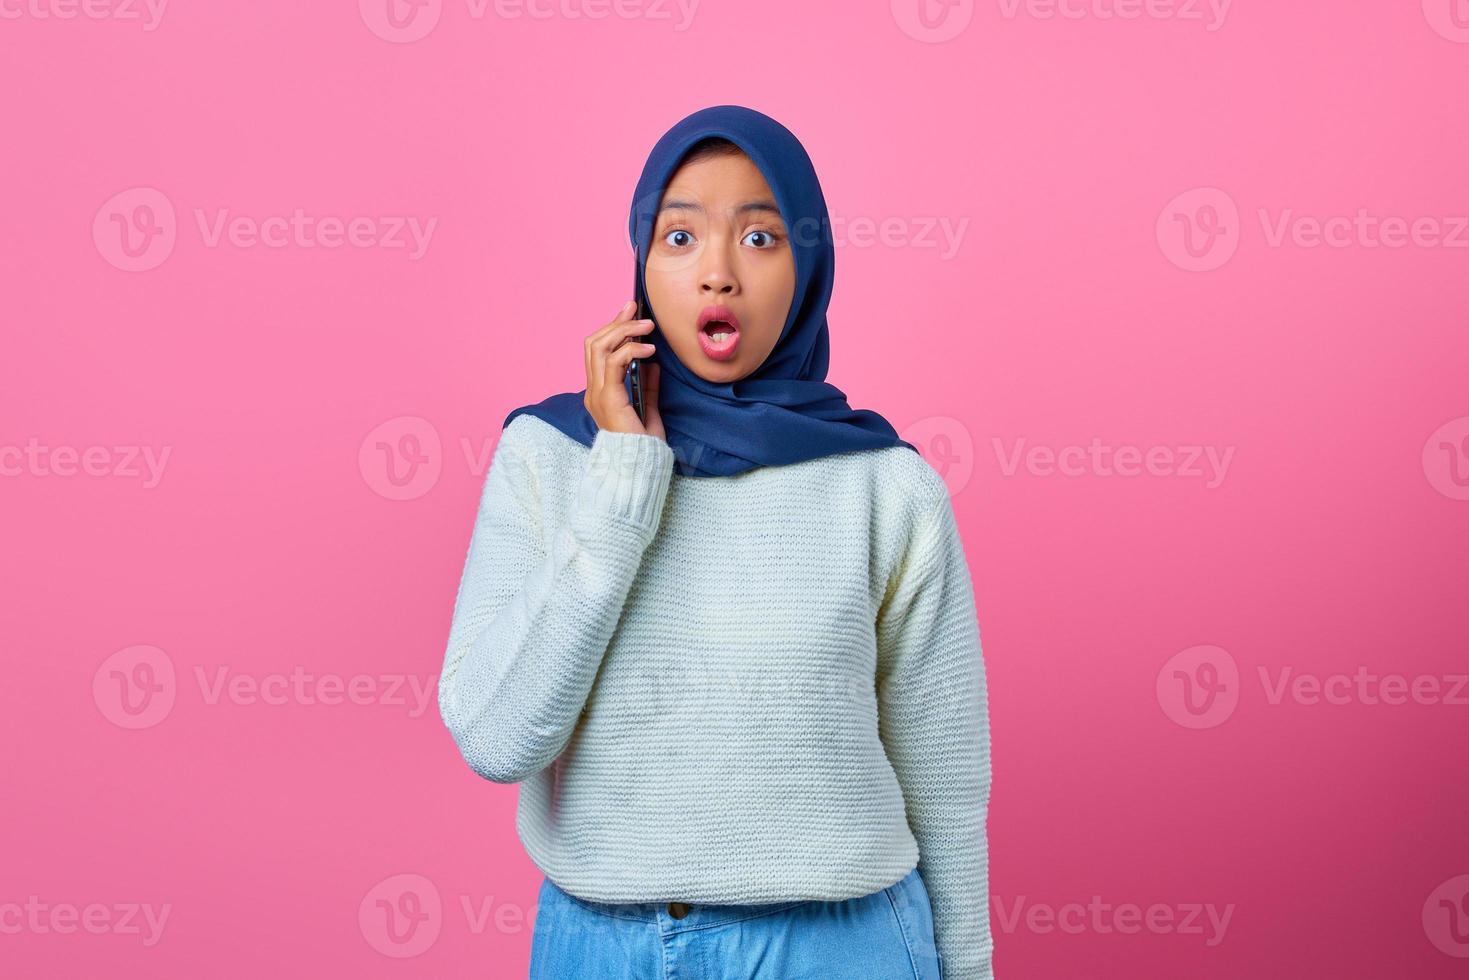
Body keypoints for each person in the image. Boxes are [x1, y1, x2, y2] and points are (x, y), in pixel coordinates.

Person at [438, 104, 994, 979]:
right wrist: (622, 480)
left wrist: (968, 967)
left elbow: (945, 777)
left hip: (844, 945)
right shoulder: (547, 459)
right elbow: (496, 740)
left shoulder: (886, 487)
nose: (719, 275)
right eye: (681, 237)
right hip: (601, 945)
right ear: (642, 267)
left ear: (809, 267)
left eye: (762, 239)